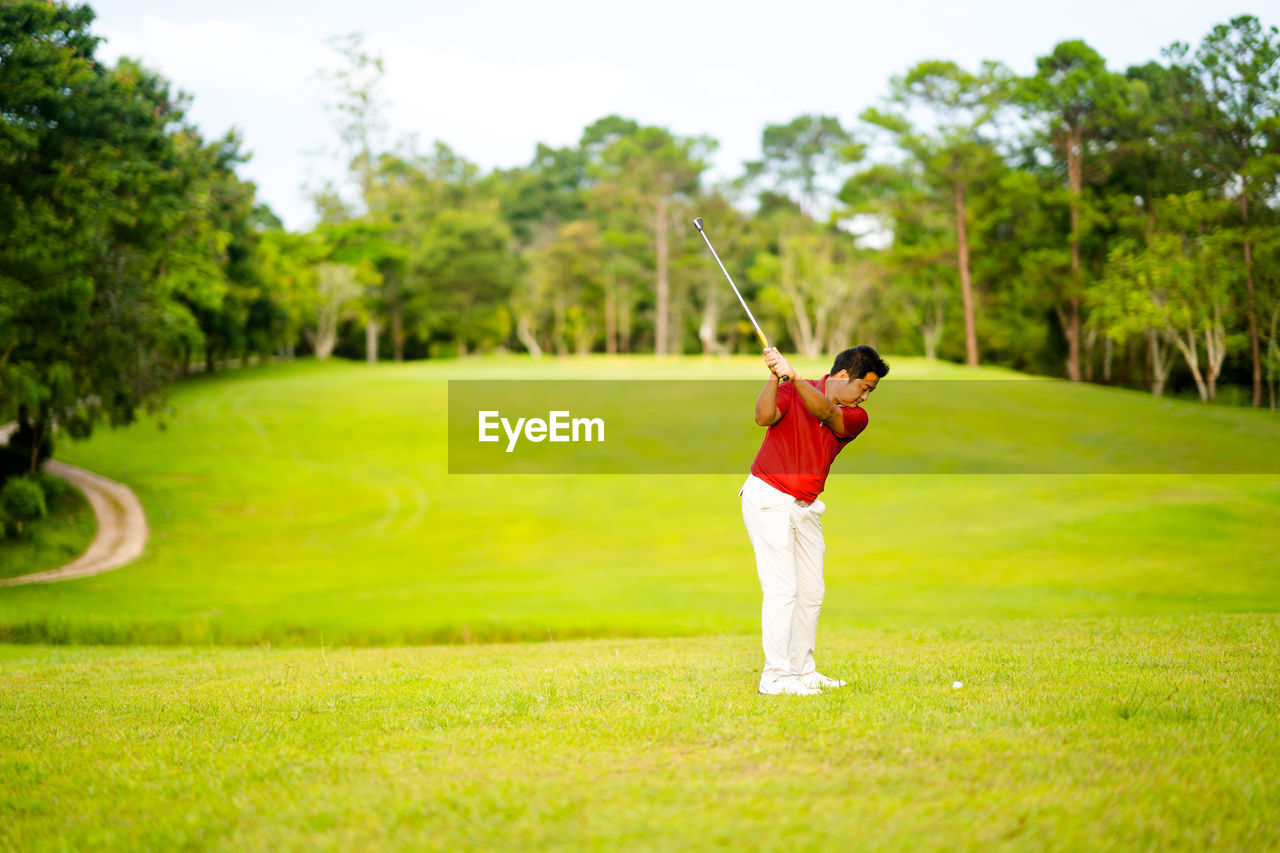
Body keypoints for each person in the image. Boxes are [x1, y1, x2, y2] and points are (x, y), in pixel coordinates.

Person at [741, 344, 889, 696]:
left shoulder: (855, 417)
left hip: (806, 506)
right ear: (841, 376)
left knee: (811, 592)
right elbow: (763, 417)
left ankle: (801, 670)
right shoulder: (792, 386)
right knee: (783, 589)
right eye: (863, 388)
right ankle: (775, 677)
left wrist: (791, 376)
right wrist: (776, 377)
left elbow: (825, 411)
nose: (865, 398)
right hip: (768, 497)